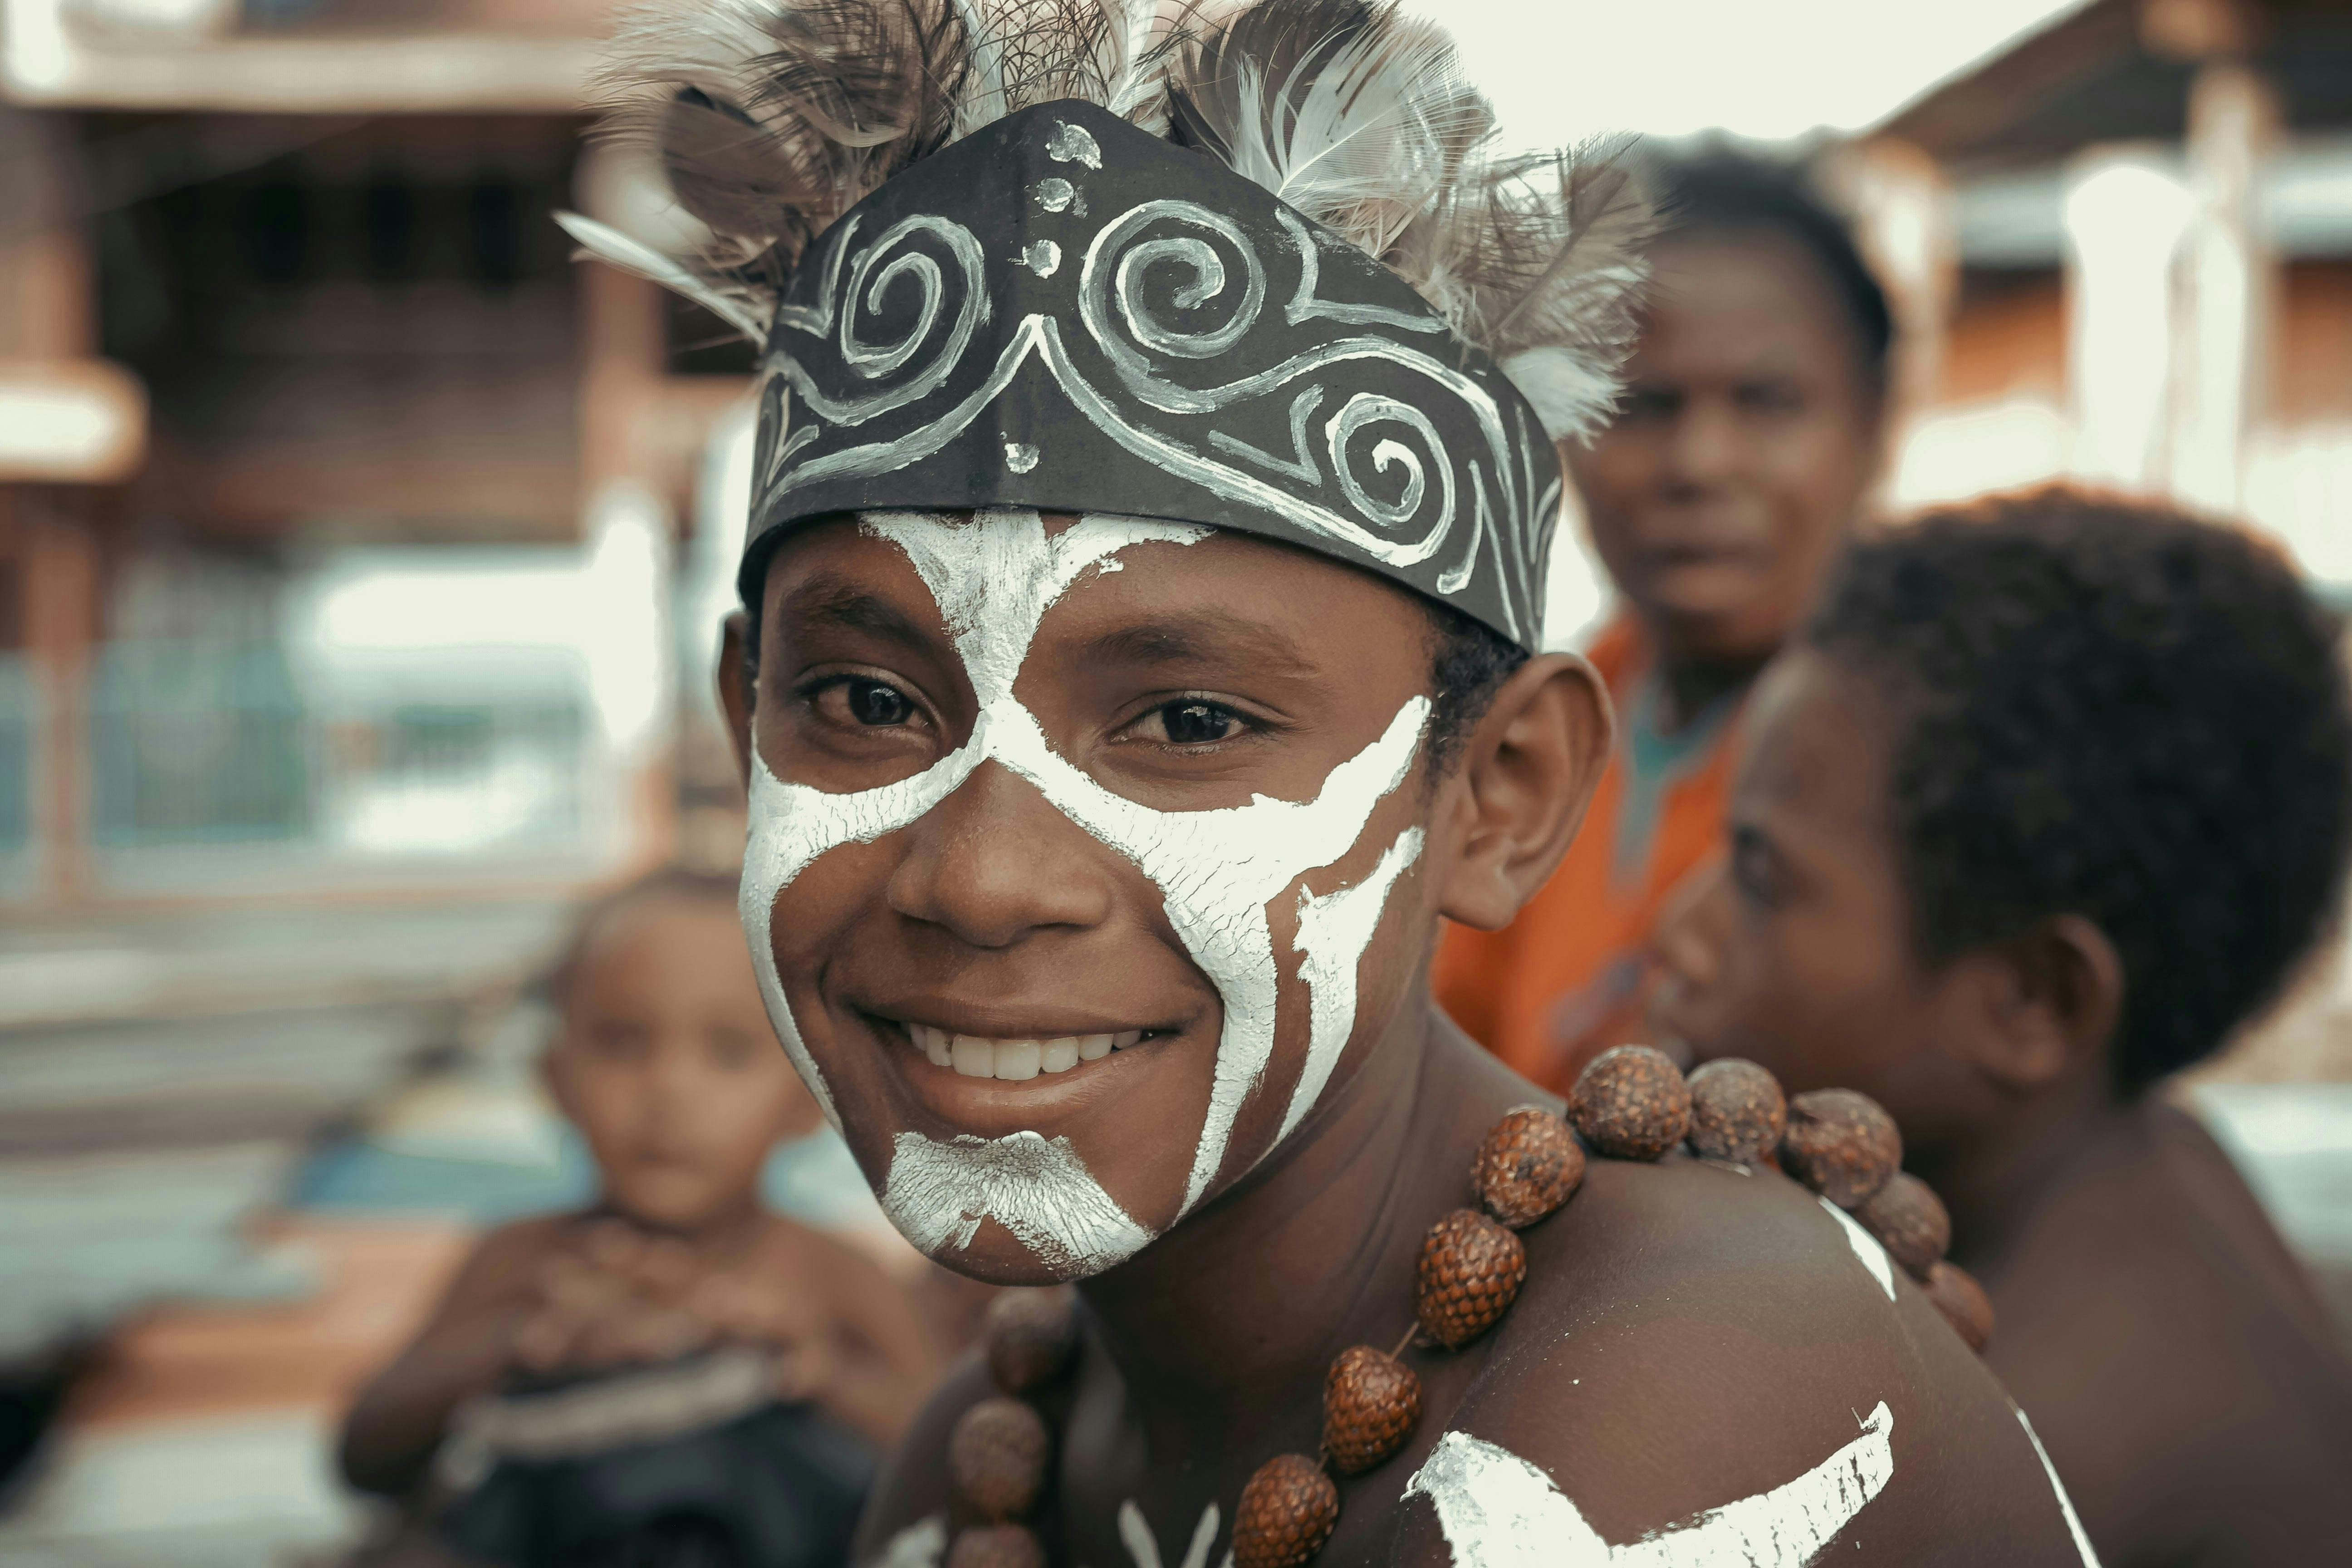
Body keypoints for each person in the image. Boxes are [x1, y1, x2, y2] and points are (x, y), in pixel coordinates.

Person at [573, 2, 2100, 1562]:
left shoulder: (1677, 1424)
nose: (977, 874)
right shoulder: (988, 1456)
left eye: (1184, 721)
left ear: (1499, 793)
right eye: (867, 698)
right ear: (740, 722)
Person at [1650, 489, 2352, 1566]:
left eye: (1759, 875)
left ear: (2034, 1003)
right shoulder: (2137, 1150)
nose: (1681, 931)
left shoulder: (2011, 1452)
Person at [1435, 149, 1891, 1093]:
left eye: (1766, 403)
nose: (1702, 463)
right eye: (1645, 406)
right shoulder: (1526, 732)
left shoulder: (1931, 752)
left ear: (1874, 424)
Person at [339, 867, 946, 1568]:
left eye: (728, 1052)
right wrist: (514, 1343)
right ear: (555, 1080)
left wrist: (818, 1368)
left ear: (810, 1097)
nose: (669, 1092)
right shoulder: (522, 1264)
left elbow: (942, 1451)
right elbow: (365, 1460)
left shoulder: (829, 1275)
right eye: (623, 1044)